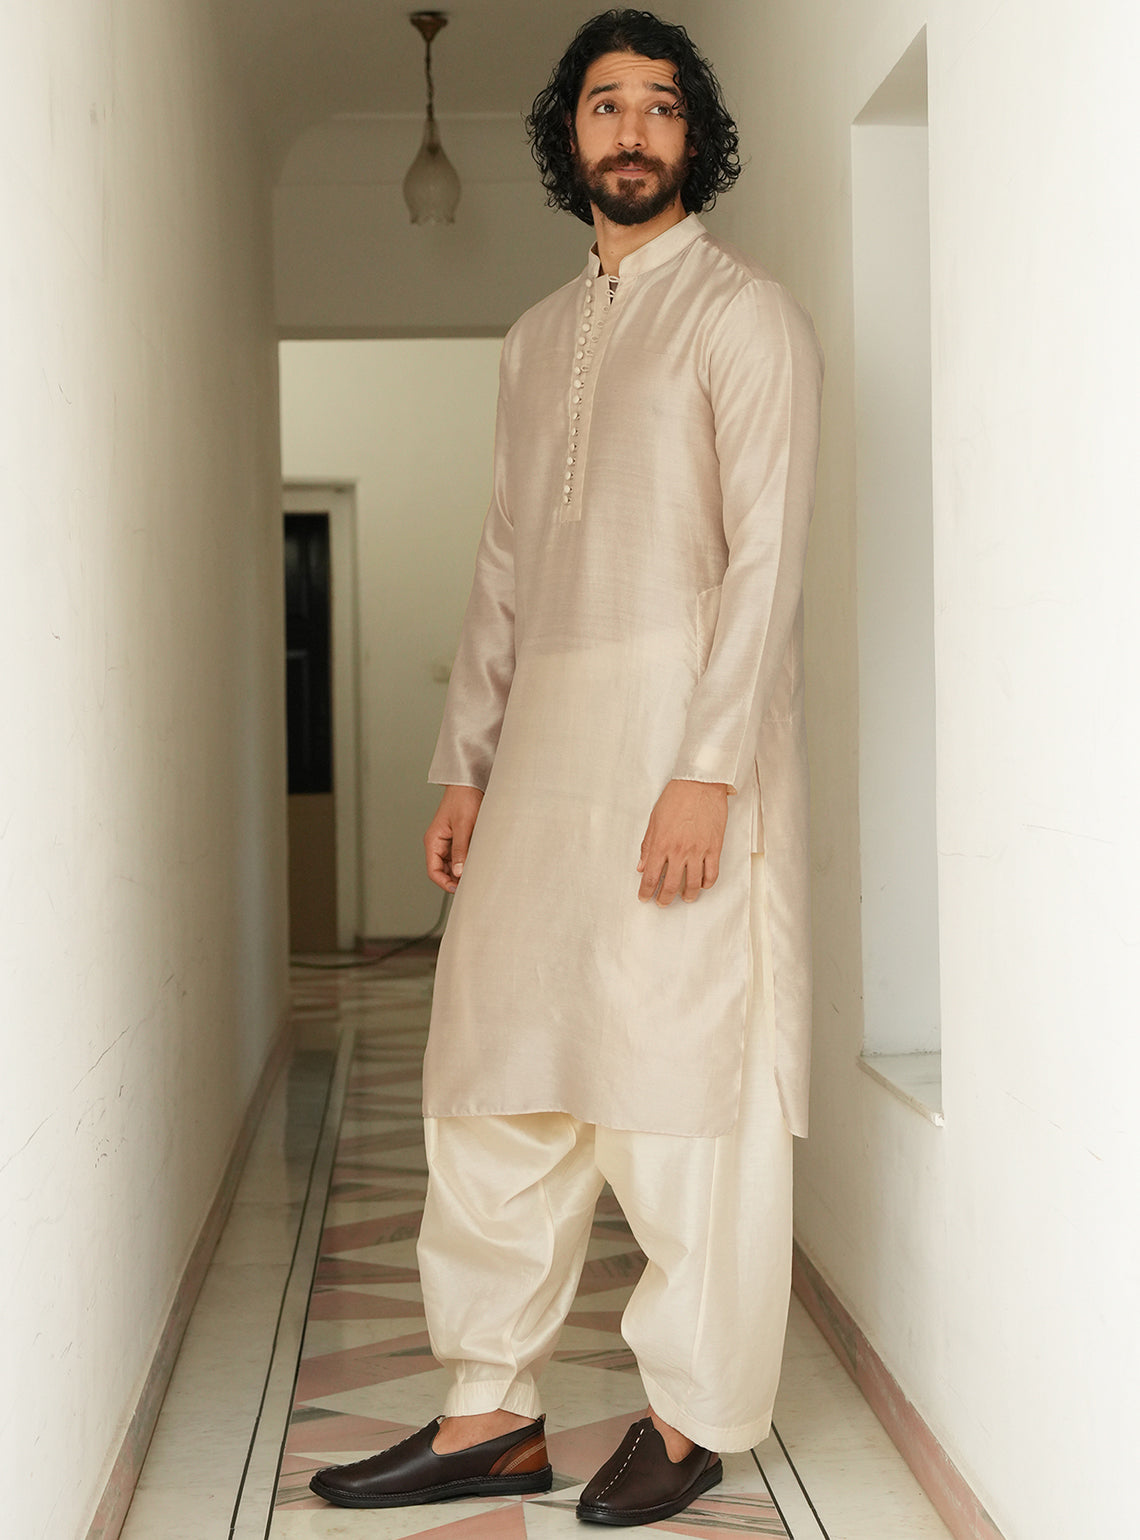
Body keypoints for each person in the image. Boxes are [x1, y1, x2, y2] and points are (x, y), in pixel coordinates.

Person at [310, 7, 823, 1527]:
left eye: (660, 105)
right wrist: (464, 764)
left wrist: (707, 770)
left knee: (679, 1091)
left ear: (695, 136)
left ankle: (688, 1416)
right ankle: (489, 1415)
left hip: (681, 760)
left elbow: (767, 562)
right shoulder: (536, 341)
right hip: (538, 769)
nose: (632, 130)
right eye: (605, 104)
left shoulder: (743, 314)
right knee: (494, 1079)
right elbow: (503, 569)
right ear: (569, 135)